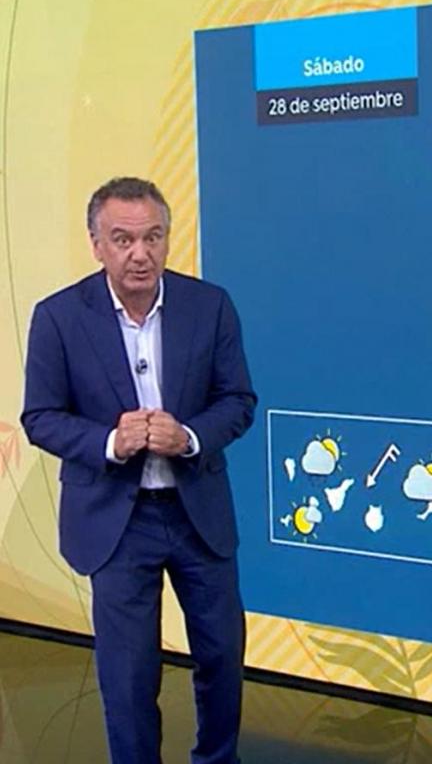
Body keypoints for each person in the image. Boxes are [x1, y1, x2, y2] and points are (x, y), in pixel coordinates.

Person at [21, 177, 256, 763]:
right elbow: (40, 417)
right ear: (96, 244)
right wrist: (109, 441)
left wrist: (189, 436)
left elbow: (238, 400)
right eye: (123, 239)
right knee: (127, 678)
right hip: (116, 523)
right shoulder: (58, 317)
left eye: (153, 237)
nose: (140, 253)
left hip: (197, 513)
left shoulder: (210, 306)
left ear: (168, 239)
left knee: (223, 657)